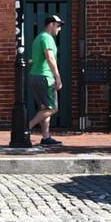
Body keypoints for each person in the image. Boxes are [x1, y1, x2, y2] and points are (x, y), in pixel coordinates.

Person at [26, 13, 64, 148]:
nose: (59, 29)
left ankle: (46, 137)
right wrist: (57, 76)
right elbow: (50, 58)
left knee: (44, 108)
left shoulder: (38, 38)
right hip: (44, 77)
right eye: (58, 26)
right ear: (51, 25)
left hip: (35, 75)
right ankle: (26, 128)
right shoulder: (47, 38)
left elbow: (36, 58)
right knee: (53, 108)